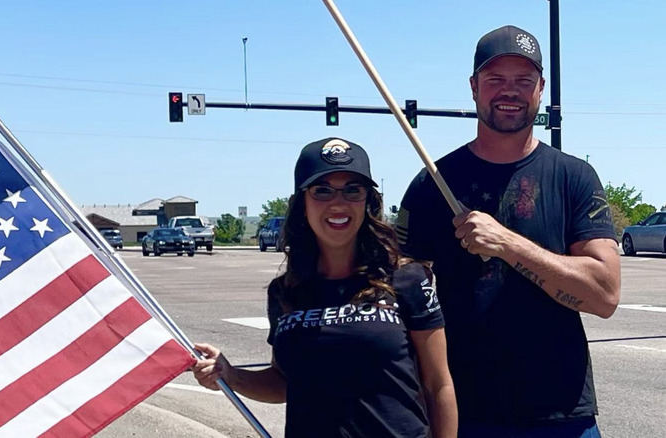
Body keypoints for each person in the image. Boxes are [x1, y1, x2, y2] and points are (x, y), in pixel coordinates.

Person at [394, 25, 621, 437]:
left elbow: (605, 296)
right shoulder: (432, 183)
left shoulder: (574, 178)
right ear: (474, 87)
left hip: (561, 416)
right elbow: (398, 293)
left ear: (540, 89)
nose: (509, 91)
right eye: (495, 79)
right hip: (463, 414)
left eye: (523, 80)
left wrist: (507, 244)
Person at [192, 137, 458, 437]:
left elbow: (438, 385)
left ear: (368, 201)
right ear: (302, 203)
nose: (338, 202)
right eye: (322, 191)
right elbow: (284, 382)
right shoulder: (285, 292)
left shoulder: (407, 278)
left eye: (352, 190)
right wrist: (230, 375)